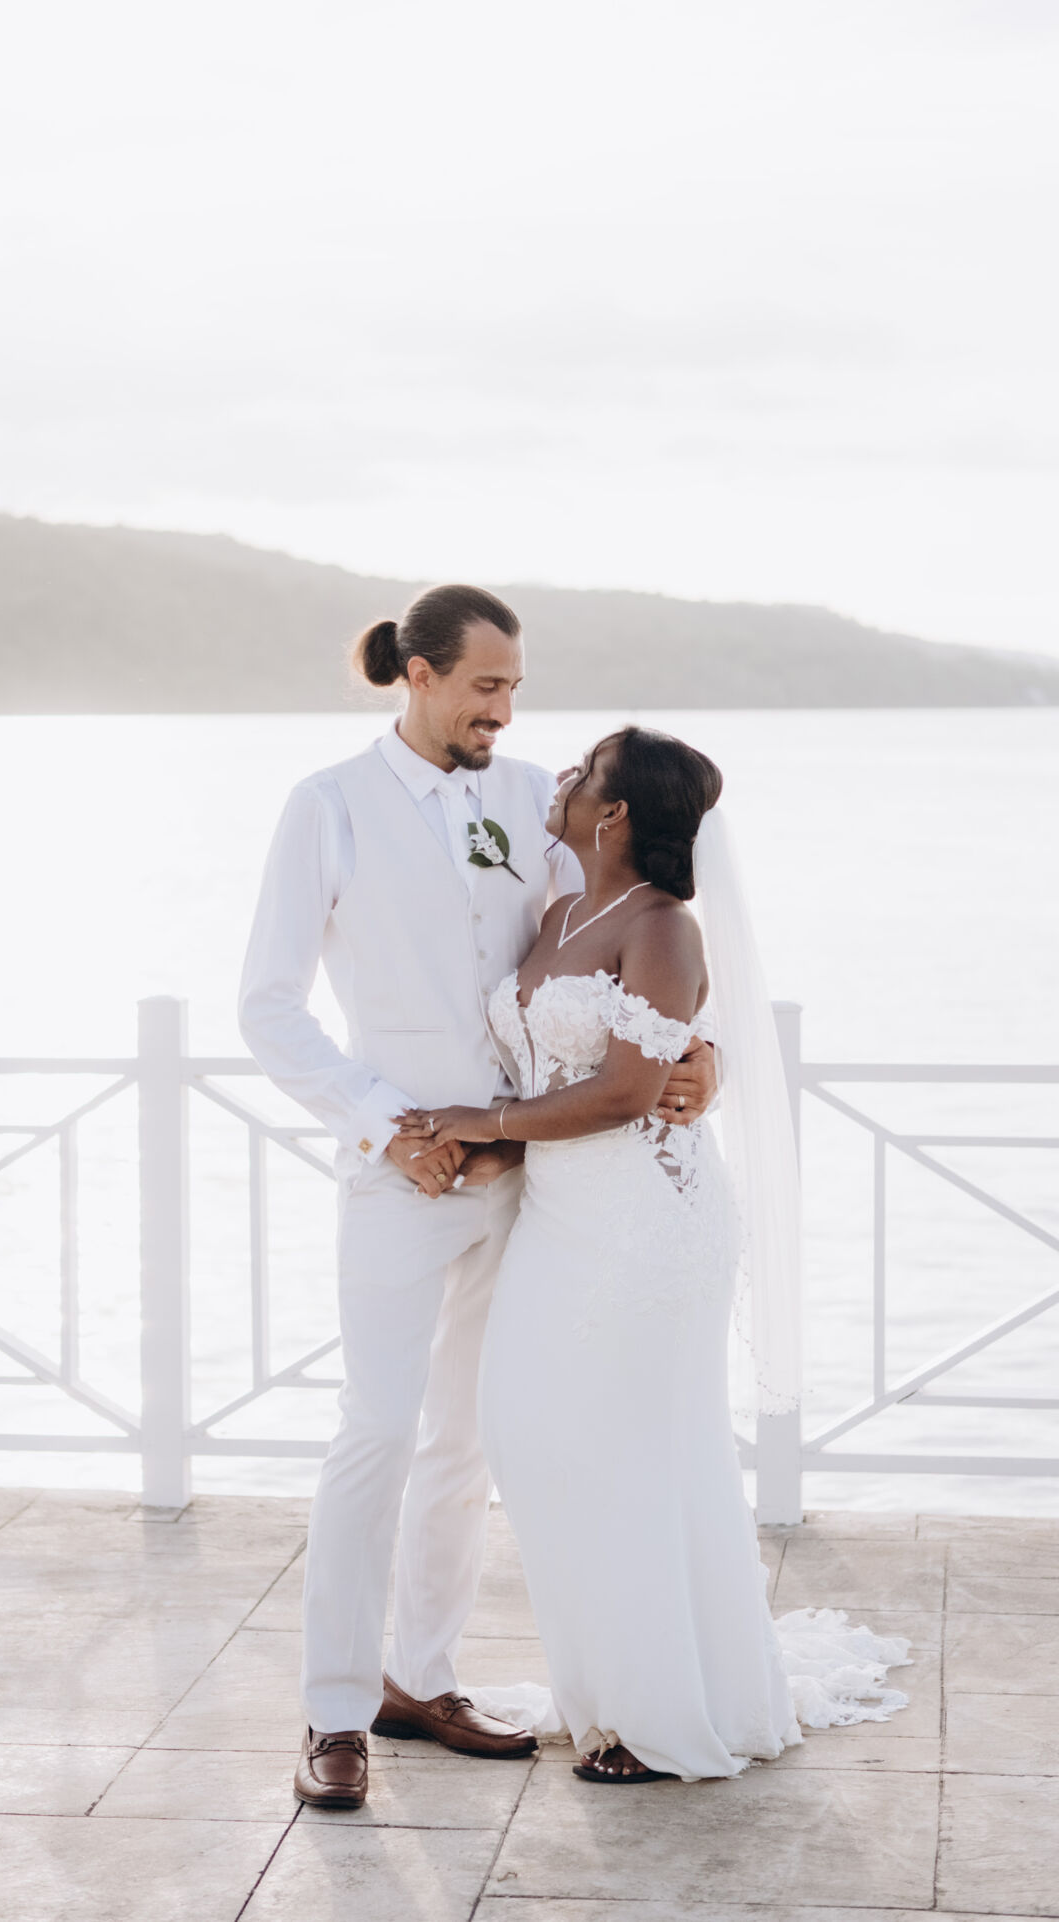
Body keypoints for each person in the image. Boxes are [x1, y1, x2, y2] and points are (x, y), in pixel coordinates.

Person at [238, 589, 717, 1809]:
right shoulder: (327, 805)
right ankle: (334, 1708)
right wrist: (383, 1126)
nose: (503, 711)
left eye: (513, 688)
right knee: (375, 1430)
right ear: (417, 673)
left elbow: (612, 932)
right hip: (398, 1172)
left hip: (529, 1179)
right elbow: (268, 1005)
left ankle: (423, 1676)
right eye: (483, 687)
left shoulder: (527, 802)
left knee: (464, 1439)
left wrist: (692, 1050)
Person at [398, 726, 910, 1782]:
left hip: (649, 1224)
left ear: (617, 809)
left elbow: (629, 1090)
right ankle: (604, 1684)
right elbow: (561, 1071)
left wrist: (484, 1118)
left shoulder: (664, 927)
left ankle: (651, 1712)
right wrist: (495, 1148)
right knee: (530, 1438)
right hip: (557, 1218)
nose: (561, 778)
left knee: (633, 1457)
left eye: (584, 771)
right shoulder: (558, 912)